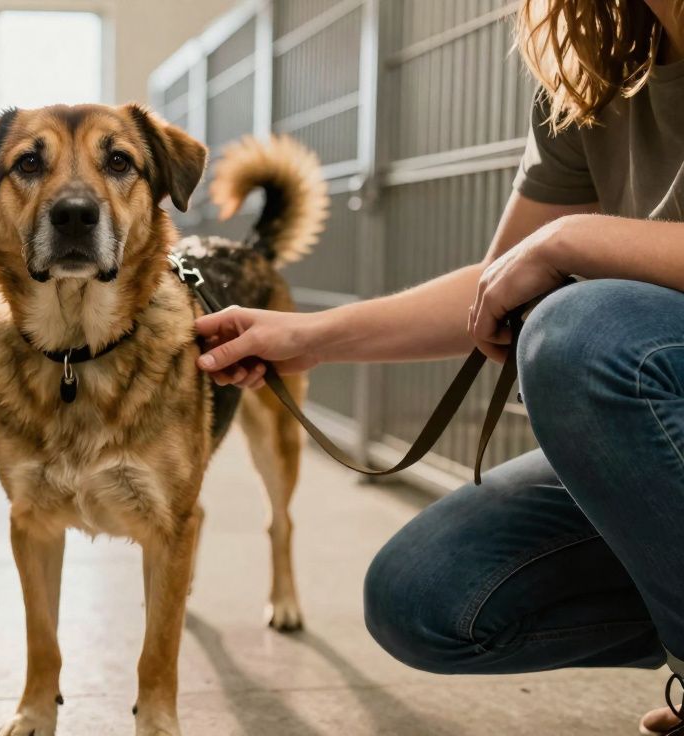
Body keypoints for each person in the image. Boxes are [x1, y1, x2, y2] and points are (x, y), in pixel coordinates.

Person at [192, 0, 684, 732]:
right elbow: (503, 276)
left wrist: (576, 241)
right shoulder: (594, 71)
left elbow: (555, 270)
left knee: (579, 333)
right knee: (426, 594)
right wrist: (313, 336)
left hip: (631, 361)